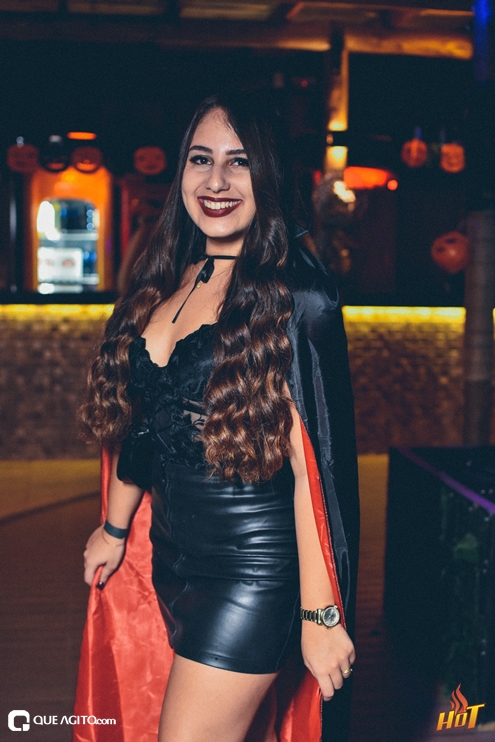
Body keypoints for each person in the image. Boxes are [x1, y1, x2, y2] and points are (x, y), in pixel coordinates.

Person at [77, 91, 359, 742]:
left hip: (253, 574)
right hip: (173, 562)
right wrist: (115, 529)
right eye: (201, 159)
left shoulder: (298, 297)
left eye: (240, 162)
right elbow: (143, 428)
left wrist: (319, 615)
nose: (217, 180)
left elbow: (313, 471)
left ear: (270, 175)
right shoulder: (172, 278)